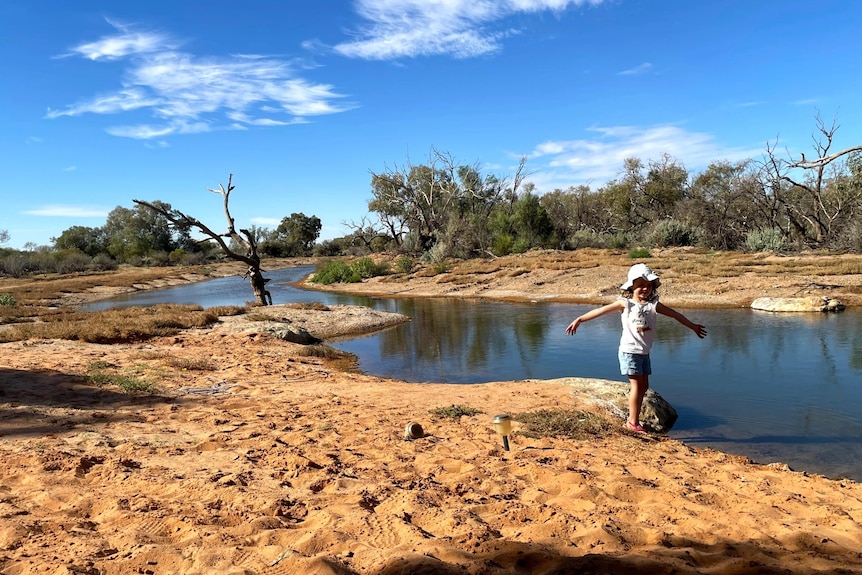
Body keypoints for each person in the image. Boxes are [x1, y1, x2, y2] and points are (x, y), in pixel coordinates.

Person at [565, 263, 707, 433]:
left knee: (644, 385)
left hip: (644, 353)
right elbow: (602, 311)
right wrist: (580, 319)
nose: (645, 289)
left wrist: (693, 326)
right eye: (640, 286)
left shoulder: (653, 305)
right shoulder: (626, 304)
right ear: (632, 286)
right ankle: (632, 422)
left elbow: (675, 315)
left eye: (648, 286)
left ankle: (635, 419)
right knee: (637, 385)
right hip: (629, 351)